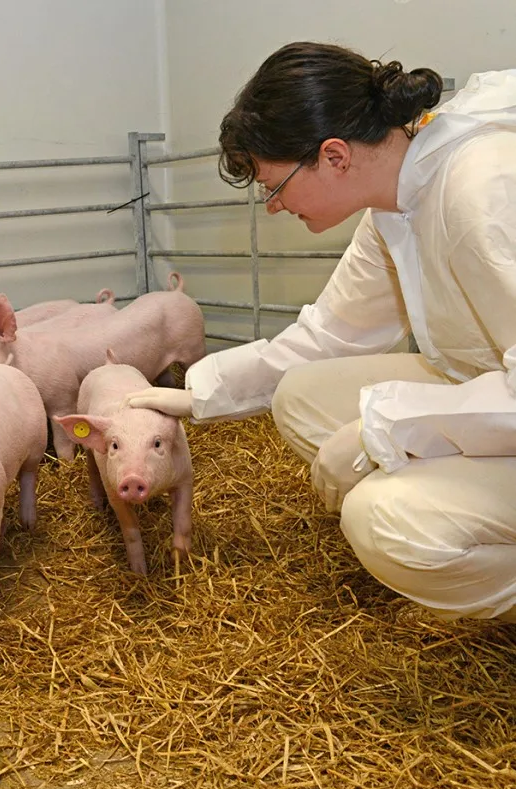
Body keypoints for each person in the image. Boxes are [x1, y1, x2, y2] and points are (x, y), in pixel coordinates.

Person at [127, 41, 516, 622]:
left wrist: (385, 427)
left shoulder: (482, 190)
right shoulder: (396, 202)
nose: (274, 208)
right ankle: (453, 532)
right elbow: (333, 333)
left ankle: (467, 569)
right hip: (489, 389)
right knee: (303, 397)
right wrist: (199, 391)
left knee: (383, 520)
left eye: (274, 186)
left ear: (333, 155)